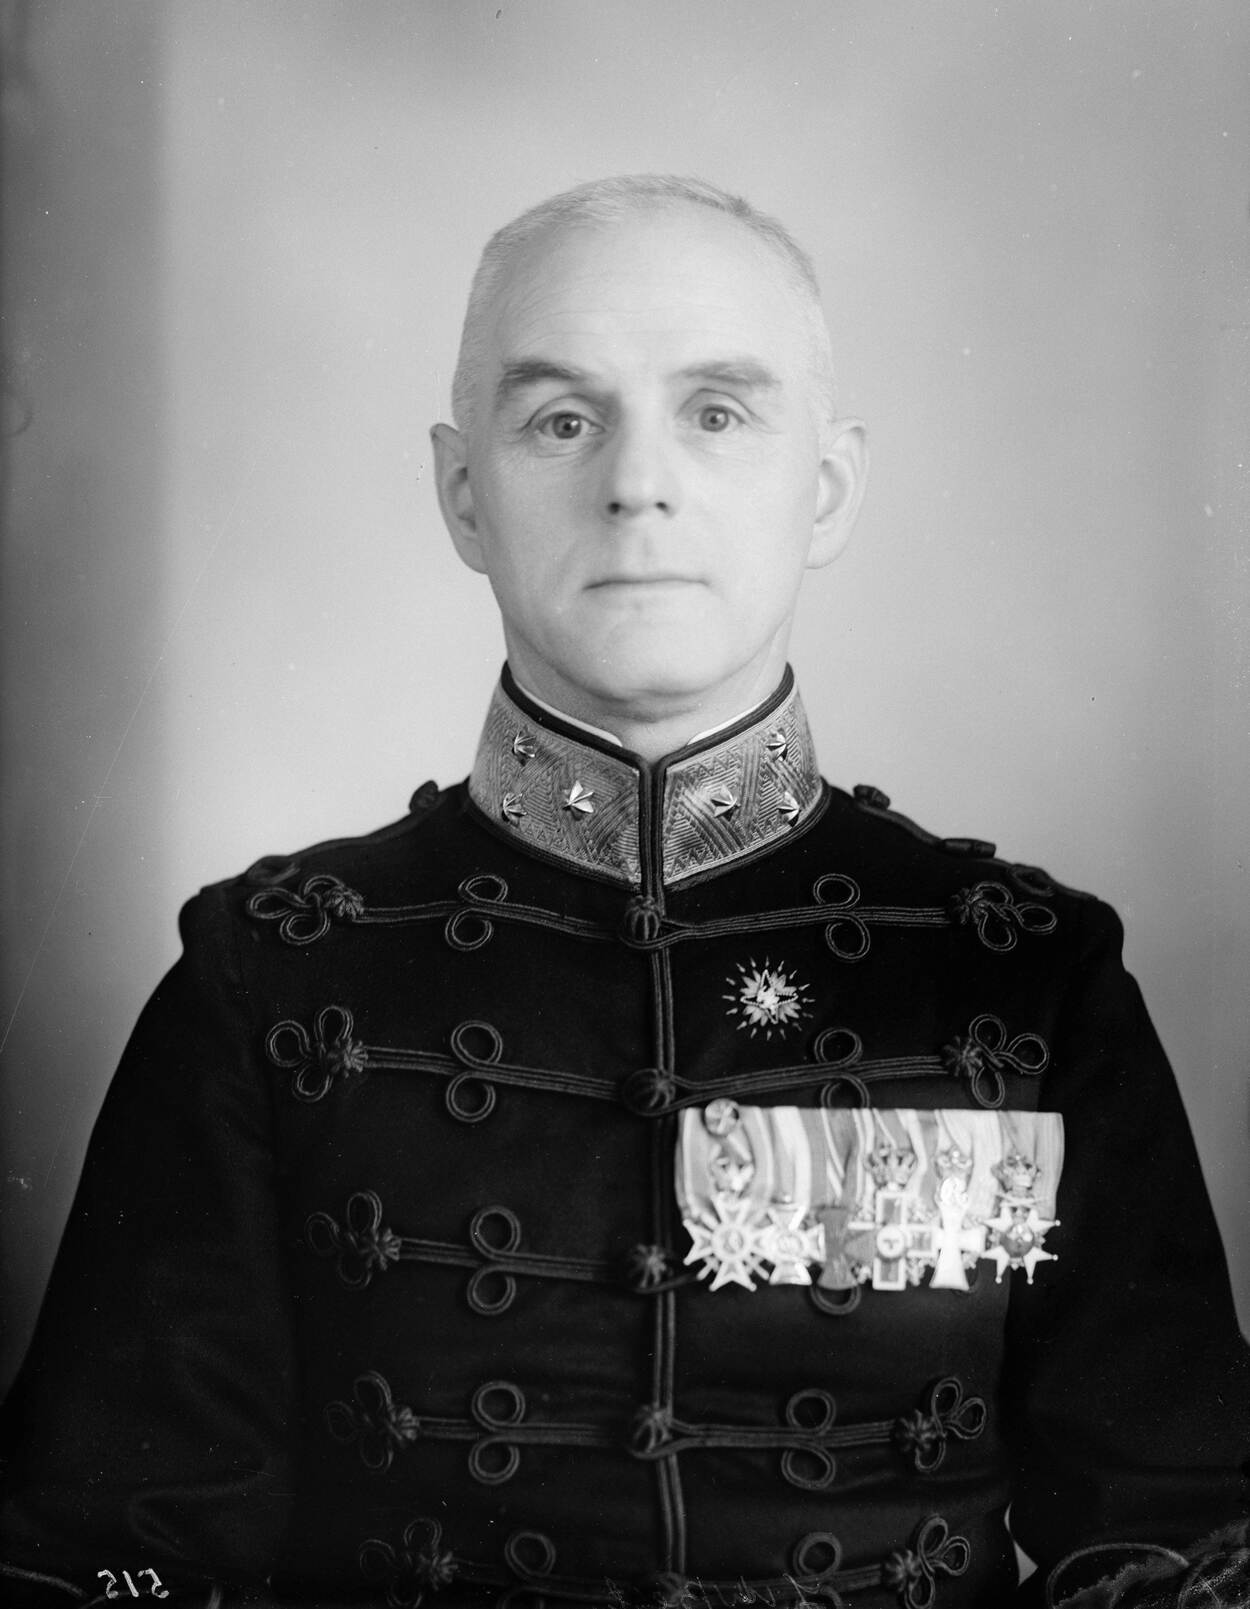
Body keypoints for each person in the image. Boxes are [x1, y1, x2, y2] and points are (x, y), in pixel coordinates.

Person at [1, 175, 1247, 1609]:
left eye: (715, 413)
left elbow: (1177, 1540)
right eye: (560, 420)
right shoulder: (269, 975)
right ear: (463, 494)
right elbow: (115, 1554)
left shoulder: (1021, 977)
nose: (635, 484)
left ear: (826, 488)